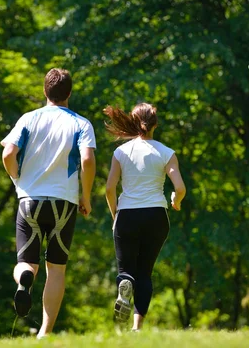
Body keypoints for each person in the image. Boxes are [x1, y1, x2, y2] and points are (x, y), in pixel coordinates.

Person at [1, 68, 96, 338]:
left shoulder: (28, 119)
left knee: (25, 262)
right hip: (64, 203)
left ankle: (23, 280)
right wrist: (85, 196)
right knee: (56, 269)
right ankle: (45, 332)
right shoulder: (81, 123)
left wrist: (16, 177)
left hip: (29, 199)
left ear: (45, 91)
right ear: (69, 93)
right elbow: (88, 160)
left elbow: (8, 152)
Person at [103, 103, 186, 331]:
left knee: (126, 271)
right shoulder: (167, 153)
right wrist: (175, 202)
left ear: (133, 121)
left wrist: (115, 216)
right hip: (156, 216)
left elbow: (110, 189)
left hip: (127, 215)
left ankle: (124, 285)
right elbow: (180, 188)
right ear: (155, 124)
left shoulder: (121, 152)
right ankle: (137, 328)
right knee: (145, 273)